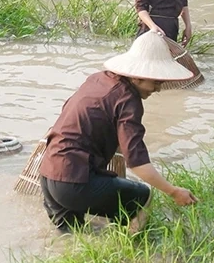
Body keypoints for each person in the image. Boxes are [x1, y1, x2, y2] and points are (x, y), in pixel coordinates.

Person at [39, 32, 199, 235]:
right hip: (74, 182)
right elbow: (137, 163)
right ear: (139, 76)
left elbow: (72, 114)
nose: (158, 89)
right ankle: (131, 249)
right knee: (143, 196)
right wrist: (174, 191)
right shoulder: (128, 101)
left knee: (71, 236)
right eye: (156, 82)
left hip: (48, 173)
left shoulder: (97, 79)